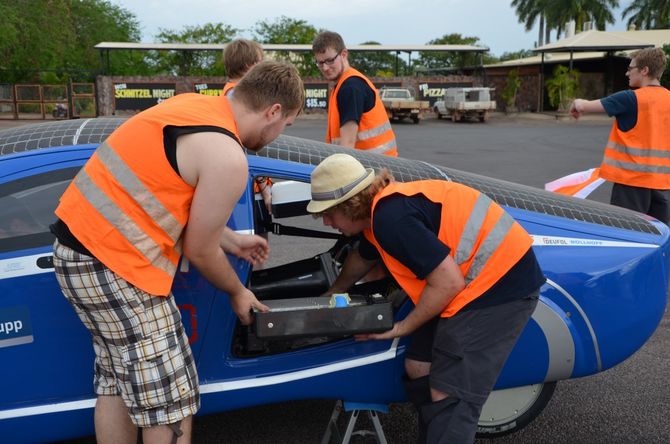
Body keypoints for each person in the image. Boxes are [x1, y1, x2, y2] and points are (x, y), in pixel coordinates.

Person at [50, 61, 304, 444]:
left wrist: (232, 242)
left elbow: (161, 196)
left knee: (118, 379)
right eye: (287, 124)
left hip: (76, 254)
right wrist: (238, 291)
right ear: (273, 111)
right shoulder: (227, 155)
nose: (281, 133)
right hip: (118, 266)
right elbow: (200, 252)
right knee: (171, 401)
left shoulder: (191, 107)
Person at [307, 153, 544, 443]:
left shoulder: (391, 220)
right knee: (419, 366)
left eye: (329, 213)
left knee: (450, 392)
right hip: (474, 282)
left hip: (499, 285)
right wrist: (336, 291)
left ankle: (447, 430)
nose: (327, 222)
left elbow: (447, 283)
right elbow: (364, 256)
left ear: (351, 204)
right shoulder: (380, 212)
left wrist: (400, 328)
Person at [570, 47, 670, 224]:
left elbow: (584, 106)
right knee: (659, 237)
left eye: (630, 68)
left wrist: (577, 103)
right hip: (663, 186)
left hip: (631, 186)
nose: (626, 73)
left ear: (644, 70)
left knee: (628, 234)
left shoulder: (630, 98)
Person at [312, 31, 398, 157]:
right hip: (378, 166)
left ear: (344, 54)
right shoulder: (346, 83)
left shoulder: (350, 87)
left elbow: (348, 143)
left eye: (330, 60)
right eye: (320, 63)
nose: (325, 68)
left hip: (372, 170)